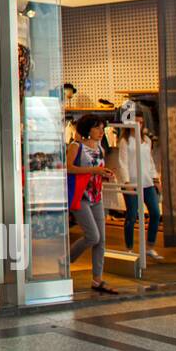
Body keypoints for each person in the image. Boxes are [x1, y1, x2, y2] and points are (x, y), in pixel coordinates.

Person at [67, 114, 118, 294]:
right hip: (81, 195)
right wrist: (94, 170)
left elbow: (98, 168)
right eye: (97, 128)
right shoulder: (76, 146)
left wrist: (104, 173)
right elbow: (69, 168)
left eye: (102, 128)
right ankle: (66, 260)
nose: (100, 132)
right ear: (88, 128)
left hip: (96, 195)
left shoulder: (99, 148)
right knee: (93, 236)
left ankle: (97, 279)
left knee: (101, 240)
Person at [123, 115, 163, 261]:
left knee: (155, 213)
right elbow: (123, 162)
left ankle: (150, 246)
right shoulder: (125, 141)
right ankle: (129, 249)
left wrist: (155, 178)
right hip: (132, 182)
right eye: (136, 122)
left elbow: (150, 161)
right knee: (132, 215)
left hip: (147, 182)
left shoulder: (146, 140)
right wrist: (126, 182)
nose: (138, 124)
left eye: (141, 122)